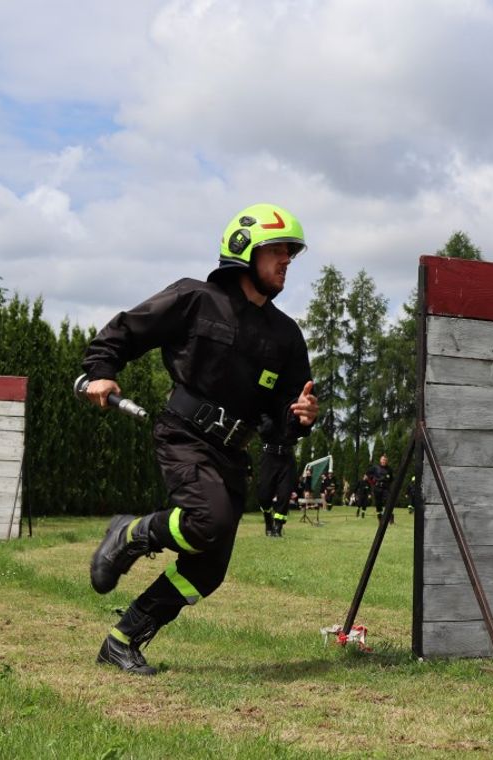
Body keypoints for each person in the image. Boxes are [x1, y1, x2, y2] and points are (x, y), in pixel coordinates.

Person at [82, 202, 319, 675]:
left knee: (207, 571)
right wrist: (101, 371)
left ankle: (123, 640)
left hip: (234, 454)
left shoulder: (286, 336)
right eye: (278, 251)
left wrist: (302, 417)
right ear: (244, 251)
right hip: (184, 435)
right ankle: (130, 533)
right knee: (206, 520)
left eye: (291, 254)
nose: (287, 262)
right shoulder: (195, 298)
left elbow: (283, 420)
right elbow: (128, 329)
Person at [367, 453, 394, 521]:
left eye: (385, 460)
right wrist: (372, 481)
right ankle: (380, 518)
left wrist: (388, 484)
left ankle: (390, 517)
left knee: (388, 501)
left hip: (386, 488)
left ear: (387, 461)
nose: (384, 461)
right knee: (378, 504)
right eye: (383, 460)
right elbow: (368, 473)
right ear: (380, 460)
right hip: (377, 488)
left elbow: (391, 479)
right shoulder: (375, 467)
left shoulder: (389, 469)